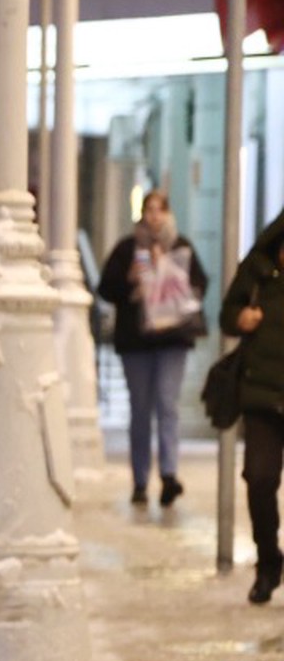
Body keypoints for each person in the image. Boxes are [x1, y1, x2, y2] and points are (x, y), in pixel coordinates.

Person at [95, 190, 210, 507]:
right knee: (141, 411)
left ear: (168, 213)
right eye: (150, 209)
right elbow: (106, 288)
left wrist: (171, 272)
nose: (155, 215)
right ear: (142, 213)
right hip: (136, 341)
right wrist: (130, 279)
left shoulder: (180, 246)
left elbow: (199, 284)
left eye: (160, 209)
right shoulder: (128, 249)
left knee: (167, 403)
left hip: (172, 338)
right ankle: (140, 479)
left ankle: (169, 474)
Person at [221, 210, 284, 604]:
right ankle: (268, 561)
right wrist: (241, 318)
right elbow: (226, 315)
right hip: (261, 395)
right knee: (260, 479)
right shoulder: (258, 272)